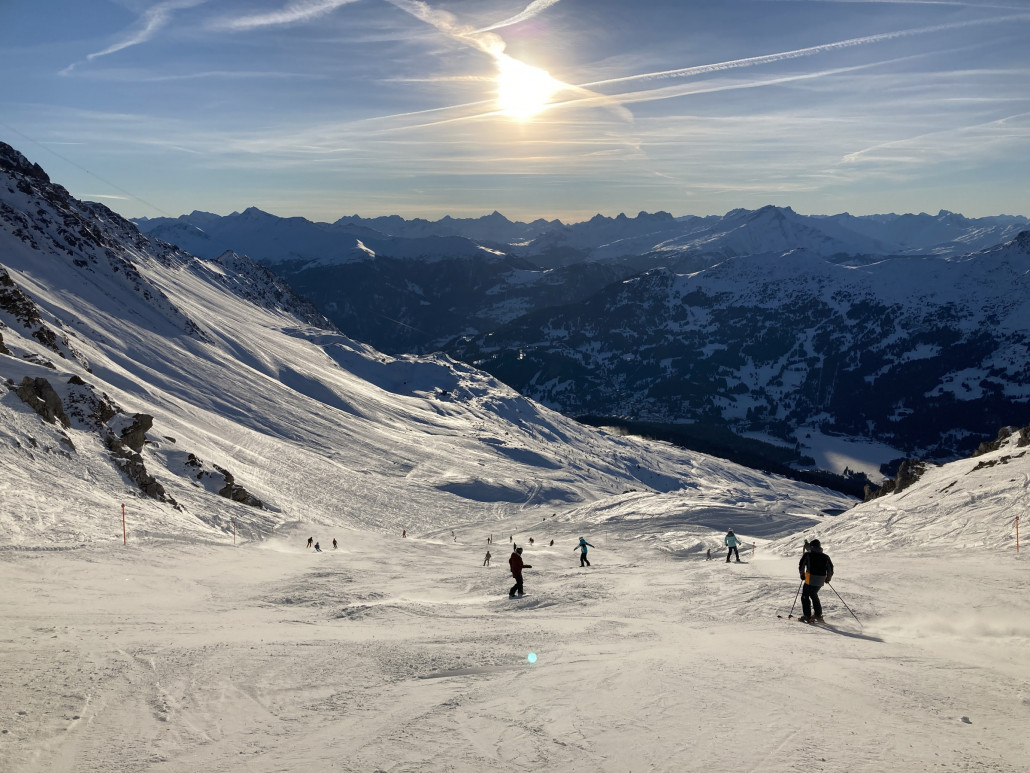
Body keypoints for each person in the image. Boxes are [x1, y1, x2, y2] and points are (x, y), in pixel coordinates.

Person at [798, 539, 834, 623]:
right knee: (813, 594)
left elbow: (801, 565)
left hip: (810, 578)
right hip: (821, 580)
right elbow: (830, 569)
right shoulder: (825, 556)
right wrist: (828, 578)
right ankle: (818, 615)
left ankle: (807, 616)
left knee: (805, 596)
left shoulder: (808, 555)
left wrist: (802, 574)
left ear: (812, 546)